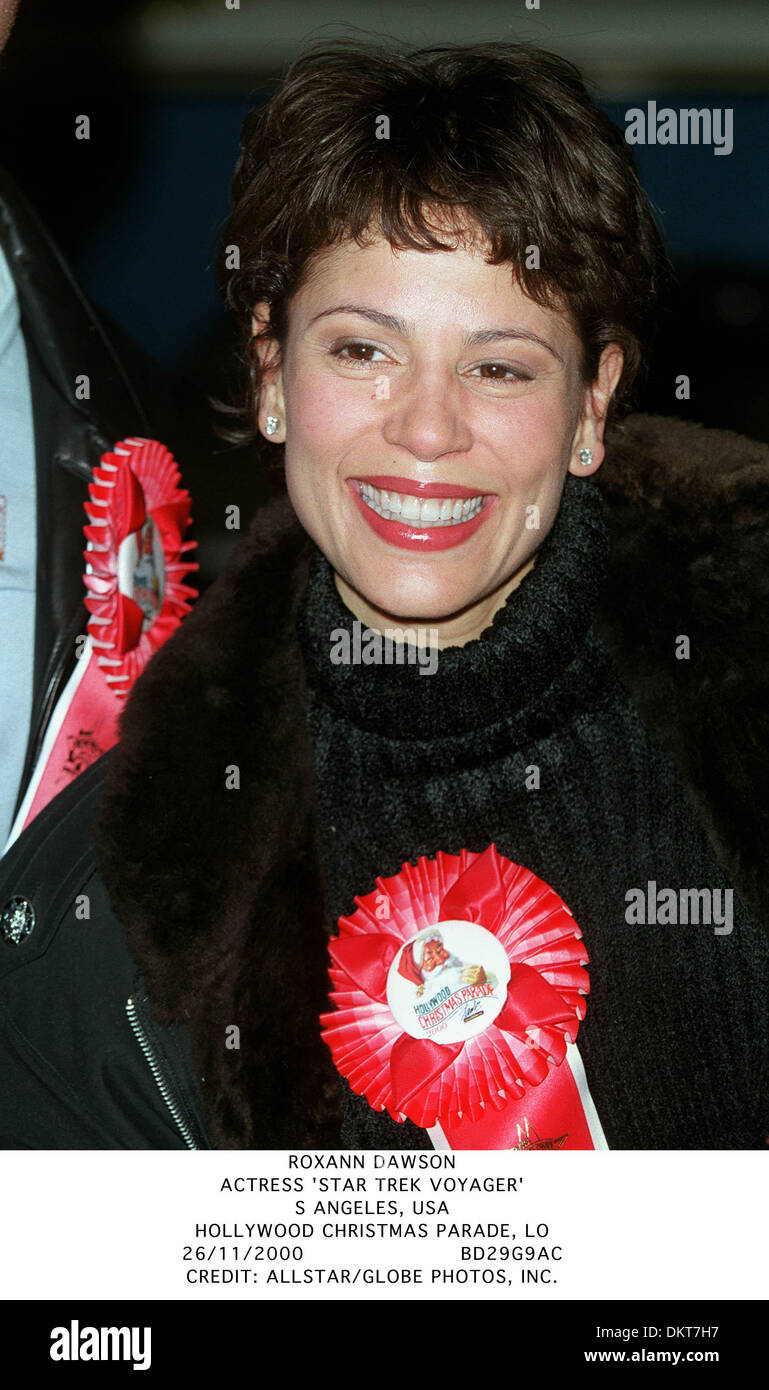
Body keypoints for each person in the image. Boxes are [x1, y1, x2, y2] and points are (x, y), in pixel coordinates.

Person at [1, 39, 767, 1150]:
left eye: (499, 366)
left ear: (591, 405)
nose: (425, 428)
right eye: (363, 350)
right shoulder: (122, 880)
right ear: (270, 374)